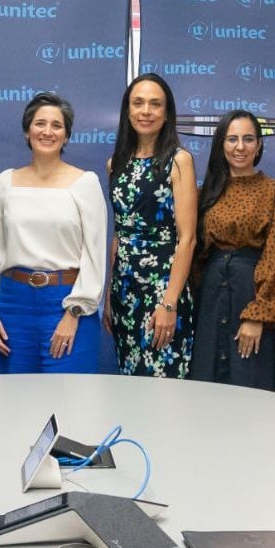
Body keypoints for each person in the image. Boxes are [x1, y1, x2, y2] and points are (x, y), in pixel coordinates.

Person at [0, 93, 106, 373]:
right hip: (13, 306)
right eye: (40, 123)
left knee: (70, 394)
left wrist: (74, 312)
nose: (47, 131)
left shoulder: (85, 183)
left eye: (56, 125)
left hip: (67, 306)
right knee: (16, 395)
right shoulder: (5, 183)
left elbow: (94, 254)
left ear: (66, 135)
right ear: (27, 131)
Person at [190, 109, 275, 391]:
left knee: (250, 381)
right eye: (232, 139)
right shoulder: (205, 193)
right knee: (207, 385)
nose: (240, 147)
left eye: (248, 139)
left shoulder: (272, 191)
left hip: (251, 294)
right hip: (210, 301)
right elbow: (194, 254)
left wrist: (257, 314)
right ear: (221, 144)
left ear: (259, 145)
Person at [106, 74, 196, 377]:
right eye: (138, 103)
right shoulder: (115, 164)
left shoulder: (179, 160)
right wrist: (109, 298)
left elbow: (187, 238)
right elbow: (119, 233)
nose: (146, 111)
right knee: (130, 386)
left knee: (164, 388)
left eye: (155, 104)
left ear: (167, 113)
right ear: (127, 110)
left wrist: (169, 304)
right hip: (124, 293)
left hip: (163, 290)